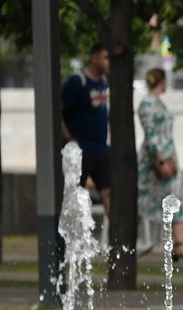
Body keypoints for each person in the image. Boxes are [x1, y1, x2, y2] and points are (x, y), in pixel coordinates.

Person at [137, 68, 183, 261]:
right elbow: (151, 135)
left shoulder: (158, 103)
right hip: (155, 160)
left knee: (177, 197)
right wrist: (160, 160)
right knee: (143, 200)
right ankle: (136, 241)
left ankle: (178, 245)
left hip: (169, 157)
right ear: (161, 81)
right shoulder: (147, 104)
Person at [61, 42, 111, 213]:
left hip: (101, 149)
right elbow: (58, 111)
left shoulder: (103, 83)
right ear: (94, 58)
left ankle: (117, 238)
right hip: (82, 149)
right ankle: (72, 238)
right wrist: (69, 139)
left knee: (108, 192)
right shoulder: (78, 82)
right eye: (106, 57)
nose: (109, 62)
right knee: (76, 194)